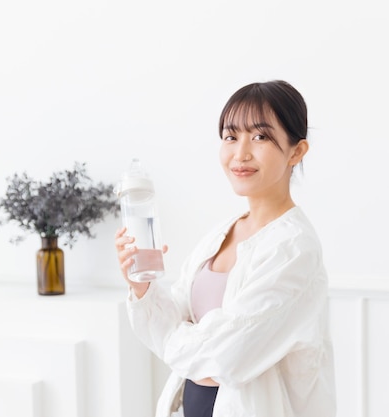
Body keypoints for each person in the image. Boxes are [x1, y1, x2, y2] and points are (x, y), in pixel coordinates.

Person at [114, 80, 336, 417]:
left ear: (297, 150)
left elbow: (226, 357)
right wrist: (141, 286)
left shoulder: (293, 248)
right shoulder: (222, 233)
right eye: (231, 136)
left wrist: (174, 341)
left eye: (260, 136)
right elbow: (179, 317)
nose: (241, 153)